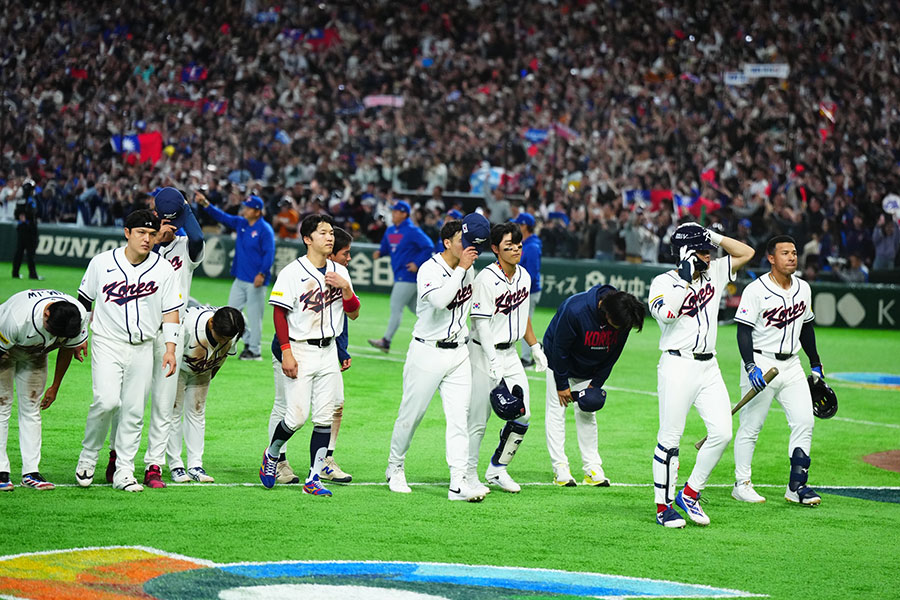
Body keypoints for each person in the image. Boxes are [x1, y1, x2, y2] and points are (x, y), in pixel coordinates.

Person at [647, 222, 754, 528]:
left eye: (709, 252)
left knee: (722, 433)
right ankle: (662, 507)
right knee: (669, 438)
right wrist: (683, 278)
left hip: (709, 366)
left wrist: (714, 236)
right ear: (685, 253)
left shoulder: (715, 272)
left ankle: (690, 492)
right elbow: (666, 315)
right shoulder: (662, 282)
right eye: (703, 252)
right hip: (677, 365)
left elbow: (747, 252)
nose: (709, 257)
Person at [74, 209, 182, 492]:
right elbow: (84, 302)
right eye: (141, 233)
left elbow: (171, 312)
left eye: (151, 234)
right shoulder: (101, 263)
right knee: (107, 401)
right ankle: (88, 456)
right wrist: (79, 336)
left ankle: (124, 471)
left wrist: (170, 348)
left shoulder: (163, 269)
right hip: (107, 342)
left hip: (144, 347)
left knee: (134, 411)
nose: (147, 239)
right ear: (127, 233)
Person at [105, 188, 206, 489]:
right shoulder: (143, 248)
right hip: (139, 332)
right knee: (126, 402)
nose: (163, 229)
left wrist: (183, 210)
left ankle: (153, 465)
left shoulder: (188, 246)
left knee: (164, 403)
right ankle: (116, 456)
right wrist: (158, 238)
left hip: (171, 334)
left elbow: (198, 238)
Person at [385, 214, 490, 502]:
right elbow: (442, 301)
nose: (469, 248)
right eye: (462, 243)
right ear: (447, 243)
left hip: (458, 353)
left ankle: (458, 483)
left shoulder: (467, 267)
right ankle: (395, 467)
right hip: (426, 351)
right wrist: (463, 270)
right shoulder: (429, 270)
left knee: (459, 419)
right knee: (412, 416)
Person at [260, 214, 360, 497]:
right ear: (307, 239)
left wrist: (346, 287)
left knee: (325, 417)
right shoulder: (293, 272)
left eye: (331, 232)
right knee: (296, 417)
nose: (329, 237)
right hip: (300, 348)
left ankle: (314, 478)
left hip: (328, 351)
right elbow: (279, 313)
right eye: (323, 232)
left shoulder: (340, 272)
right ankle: (272, 453)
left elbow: (353, 312)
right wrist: (286, 352)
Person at [732, 235, 825, 506]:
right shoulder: (755, 290)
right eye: (785, 253)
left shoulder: (804, 288)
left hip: (792, 364)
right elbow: (743, 330)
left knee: (805, 422)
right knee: (751, 426)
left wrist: (815, 362)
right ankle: (742, 483)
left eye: (794, 252)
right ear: (771, 258)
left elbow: (806, 327)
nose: (792, 257)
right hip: (762, 362)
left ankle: (796, 487)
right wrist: (750, 366)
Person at [467, 222, 548, 494]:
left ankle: (497, 469)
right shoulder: (485, 279)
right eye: (508, 246)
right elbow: (481, 324)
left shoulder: (524, 276)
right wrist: (491, 360)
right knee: (478, 420)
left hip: (511, 354)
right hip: (482, 353)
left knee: (522, 415)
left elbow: (522, 316)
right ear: (494, 249)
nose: (515, 250)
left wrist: (535, 347)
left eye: (518, 245)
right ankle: (468, 475)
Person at [543, 285, 646, 488]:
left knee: (588, 409)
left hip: (590, 367)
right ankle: (560, 467)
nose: (620, 330)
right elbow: (559, 348)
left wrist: (595, 385)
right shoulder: (575, 309)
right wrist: (562, 383)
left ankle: (592, 468)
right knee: (557, 411)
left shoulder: (622, 320)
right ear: (606, 312)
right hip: (559, 361)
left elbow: (612, 356)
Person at [0, 291, 89, 491]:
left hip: (35, 355)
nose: (55, 337)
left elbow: (68, 347)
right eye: (53, 331)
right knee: (1, 407)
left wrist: (55, 386)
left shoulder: (78, 315)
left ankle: (31, 472)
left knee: (32, 408)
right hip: (4, 350)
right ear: (46, 313)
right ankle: (0, 472)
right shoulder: (16, 319)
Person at [166, 305, 245, 483]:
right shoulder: (189, 327)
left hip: (202, 371)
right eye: (221, 337)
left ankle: (195, 465)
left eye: (228, 338)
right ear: (211, 324)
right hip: (178, 368)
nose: (224, 341)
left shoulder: (231, 330)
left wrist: (209, 374)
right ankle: (175, 465)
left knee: (197, 411)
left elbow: (221, 359)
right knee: (174, 412)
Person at [196, 192, 275, 360]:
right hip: (240, 278)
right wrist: (206, 204)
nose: (244, 210)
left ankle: (254, 350)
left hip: (255, 280)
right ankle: (244, 340)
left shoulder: (265, 230)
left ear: (257, 211)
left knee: (255, 317)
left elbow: (269, 253)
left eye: (248, 208)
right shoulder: (241, 223)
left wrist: (262, 273)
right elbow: (223, 217)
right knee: (231, 313)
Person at [367, 201, 434, 353]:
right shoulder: (391, 231)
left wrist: (417, 263)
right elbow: (386, 248)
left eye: (396, 211)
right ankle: (439, 326)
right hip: (399, 274)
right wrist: (380, 253)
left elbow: (428, 246)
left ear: (404, 214)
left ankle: (386, 340)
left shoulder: (412, 230)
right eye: (393, 211)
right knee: (417, 308)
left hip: (408, 275)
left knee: (396, 306)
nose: (394, 214)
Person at [513, 212, 542, 367]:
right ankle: (536, 349)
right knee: (521, 321)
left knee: (524, 322)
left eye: (518, 224)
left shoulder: (531, 246)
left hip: (529, 291)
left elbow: (532, 273)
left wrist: (522, 288)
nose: (515, 226)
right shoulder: (526, 243)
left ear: (525, 226)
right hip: (525, 290)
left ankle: (526, 357)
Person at [12, 179, 43, 281]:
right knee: (30, 252)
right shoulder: (31, 200)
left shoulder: (20, 200)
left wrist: (22, 217)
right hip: (30, 228)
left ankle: (15, 272)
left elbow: (16, 214)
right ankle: (32, 274)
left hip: (21, 228)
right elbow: (34, 212)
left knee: (19, 251)